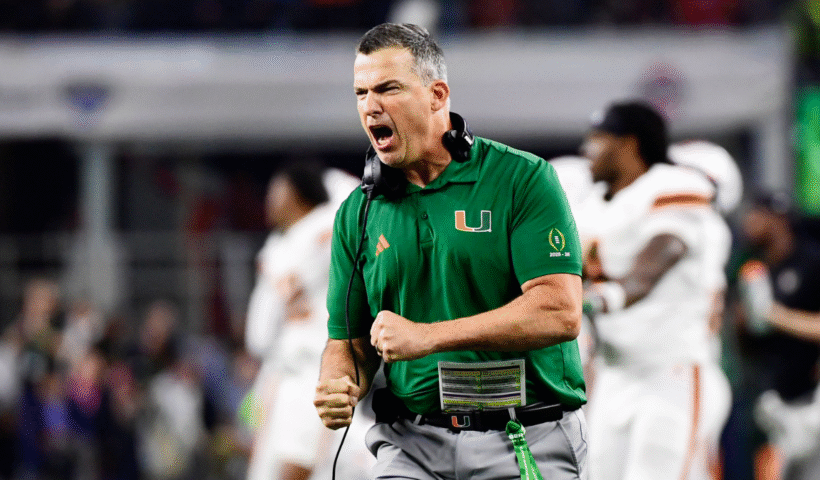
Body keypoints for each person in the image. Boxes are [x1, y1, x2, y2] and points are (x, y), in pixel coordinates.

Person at [313, 23, 587, 480]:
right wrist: (338, 383)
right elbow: (348, 342)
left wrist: (429, 336)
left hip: (523, 436)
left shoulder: (521, 180)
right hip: (410, 446)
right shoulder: (356, 213)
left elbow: (559, 311)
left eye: (388, 89)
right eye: (361, 93)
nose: (370, 106)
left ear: (437, 95)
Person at [575, 100, 732, 480]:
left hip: (670, 371)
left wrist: (601, 299)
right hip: (615, 373)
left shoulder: (672, 187)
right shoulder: (594, 205)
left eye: (599, 138)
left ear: (628, 144)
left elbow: (658, 259)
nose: (587, 149)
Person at [244, 161, 368, 480]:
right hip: (285, 368)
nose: (271, 199)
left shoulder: (320, 227)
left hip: (315, 366)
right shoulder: (280, 244)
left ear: (298, 195)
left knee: (307, 463)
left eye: (278, 190)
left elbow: (353, 195)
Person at [735, 191, 820, 480]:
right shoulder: (754, 269)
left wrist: (774, 315)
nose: (749, 221)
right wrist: (744, 321)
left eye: (757, 214)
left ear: (777, 219)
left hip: (811, 401)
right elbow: (749, 346)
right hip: (771, 402)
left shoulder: (811, 262)